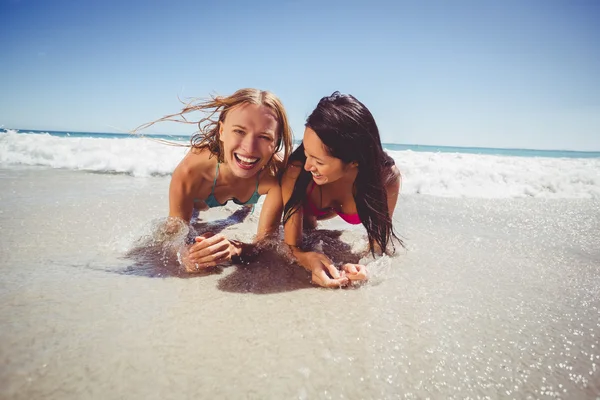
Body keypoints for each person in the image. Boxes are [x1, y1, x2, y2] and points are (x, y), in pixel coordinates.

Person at [136, 88, 293, 272]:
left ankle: (247, 206)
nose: (249, 148)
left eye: (264, 136)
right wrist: (186, 253)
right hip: (201, 196)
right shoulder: (193, 170)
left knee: (242, 213)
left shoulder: (276, 175)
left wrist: (234, 248)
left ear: (276, 141)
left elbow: (266, 243)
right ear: (221, 131)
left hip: (250, 188)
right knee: (195, 213)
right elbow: (173, 234)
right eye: (239, 131)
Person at [281, 91, 402, 288]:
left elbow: (378, 247)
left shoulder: (385, 179)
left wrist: (364, 269)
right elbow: (290, 246)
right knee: (307, 233)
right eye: (306, 153)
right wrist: (306, 259)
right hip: (307, 211)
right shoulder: (296, 172)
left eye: (318, 161)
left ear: (354, 161)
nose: (307, 166)